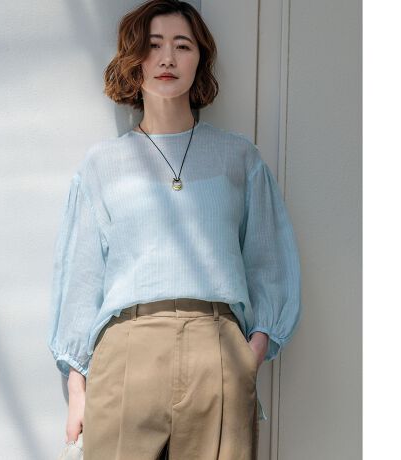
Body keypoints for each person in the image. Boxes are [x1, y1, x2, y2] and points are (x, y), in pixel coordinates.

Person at [47, 1, 302, 459]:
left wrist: (253, 351)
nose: (167, 58)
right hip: (127, 347)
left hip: (218, 346)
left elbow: (270, 259)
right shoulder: (103, 164)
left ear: (200, 59)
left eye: (182, 46)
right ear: (134, 58)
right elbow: (81, 275)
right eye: (153, 45)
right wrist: (77, 387)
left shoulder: (238, 157)